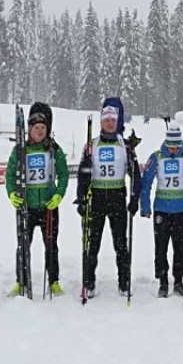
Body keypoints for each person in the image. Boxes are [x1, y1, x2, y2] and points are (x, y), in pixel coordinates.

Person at [75, 98, 141, 297]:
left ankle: (124, 281)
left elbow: (136, 175)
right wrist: (81, 199)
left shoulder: (125, 145)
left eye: (113, 120)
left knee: (120, 243)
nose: (110, 123)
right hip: (96, 197)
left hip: (117, 196)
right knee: (92, 243)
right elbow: (83, 174)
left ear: (117, 122)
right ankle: (89, 282)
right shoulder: (91, 145)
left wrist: (135, 198)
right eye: (106, 120)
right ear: (101, 122)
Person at [6, 102, 69, 296]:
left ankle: (54, 282)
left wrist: (59, 194)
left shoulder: (54, 149)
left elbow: (64, 174)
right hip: (27, 207)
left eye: (43, 128)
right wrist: (12, 194)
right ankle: (21, 282)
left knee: (51, 247)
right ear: (29, 129)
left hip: (49, 206)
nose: (40, 131)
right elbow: (10, 175)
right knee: (23, 247)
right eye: (36, 128)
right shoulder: (20, 150)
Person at [140, 122, 183, 297]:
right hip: (161, 210)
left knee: (180, 247)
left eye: (176, 146)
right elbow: (146, 183)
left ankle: (178, 280)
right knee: (160, 247)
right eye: (170, 146)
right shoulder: (156, 157)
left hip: (182, 210)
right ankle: (162, 281)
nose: (173, 150)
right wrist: (145, 206)